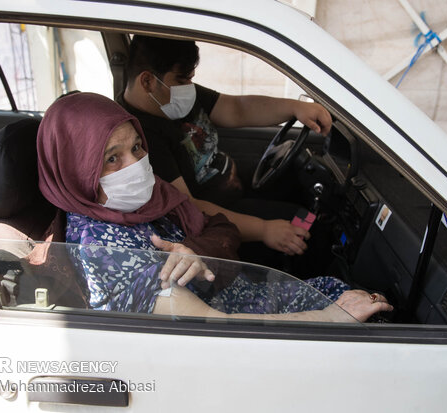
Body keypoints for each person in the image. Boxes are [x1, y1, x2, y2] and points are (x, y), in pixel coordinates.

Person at [37, 92, 392, 322]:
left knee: (350, 293)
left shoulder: (138, 200)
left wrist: (196, 249)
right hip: (239, 327)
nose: (134, 164)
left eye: (137, 147)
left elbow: (215, 226)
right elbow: (210, 329)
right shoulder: (102, 249)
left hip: (244, 295)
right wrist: (332, 319)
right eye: (112, 158)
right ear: (77, 168)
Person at [118, 35, 333, 267]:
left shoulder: (171, 95)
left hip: (236, 191)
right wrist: (264, 230)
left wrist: (295, 107)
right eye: (182, 79)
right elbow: (189, 206)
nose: (188, 87)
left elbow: (236, 108)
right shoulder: (137, 137)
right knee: (308, 228)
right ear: (148, 82)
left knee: (309, 207)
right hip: (218, 219)